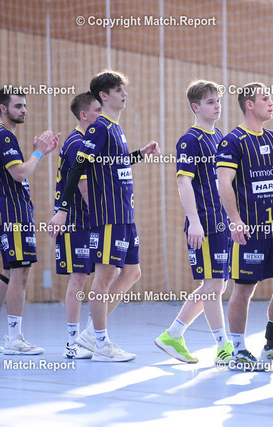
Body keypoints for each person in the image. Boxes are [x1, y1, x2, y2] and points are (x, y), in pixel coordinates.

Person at [48, 70, 160, 362]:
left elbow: (114, 164)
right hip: (108, 215)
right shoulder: (99, 128)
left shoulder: (115, 128)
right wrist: (62, 210)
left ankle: (88, 335)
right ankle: (100, 343)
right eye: (118, 90)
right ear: (103, 96)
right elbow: (77, 169)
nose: (124, 94)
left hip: (125, 214)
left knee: (133, 273)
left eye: (124, 89)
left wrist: (139, 154)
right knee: (102, 277)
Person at [217, 82, 273, 370]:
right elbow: (224, 183)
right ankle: (238, 351)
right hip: (249, 231)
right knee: (243, 289)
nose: (271, 102)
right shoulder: (233, 141)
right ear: (249, 104)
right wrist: (235, 220)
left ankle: (272, 346)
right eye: (265, 98)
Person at [0, 88, 59, 355]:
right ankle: (14, 338)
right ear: (3, 108)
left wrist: (38, 153)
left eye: (25, 105)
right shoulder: (3, 135)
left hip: (9, 211)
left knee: (10, 271)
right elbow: (20, 173)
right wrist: (38, 153)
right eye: (18, 106)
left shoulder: (0, 136)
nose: (24, 110)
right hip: (12, 212)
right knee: (21, 271)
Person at [154, 80, 233, 365]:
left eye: (218, 101)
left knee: (217, 286)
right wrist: (194, 222)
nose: (217, 106)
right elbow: (183, 182)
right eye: (210, 102)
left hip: (222, 222)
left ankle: (173, 335)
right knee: (212, 286)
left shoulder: (219, 136)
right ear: (195, 107)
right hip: (205, 224)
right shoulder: (190, 140)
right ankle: (223, 346)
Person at [54, 92, 102, 359]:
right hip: (76, 220)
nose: (101, 114)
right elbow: (83, 185)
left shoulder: (89, 142)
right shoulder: (76, 143)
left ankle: (89, 336)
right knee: (79, 278)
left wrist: (140, 155)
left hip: (87, 220)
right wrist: (101, 216)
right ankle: (73, 343)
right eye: (97, 110)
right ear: (84, 115)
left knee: (103, 274)